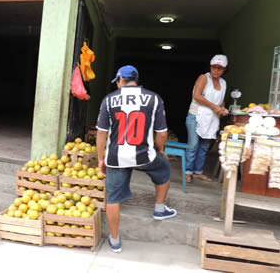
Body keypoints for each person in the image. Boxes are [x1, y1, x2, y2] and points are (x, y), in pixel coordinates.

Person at [96, 65, 177, 254]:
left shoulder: (109, 100)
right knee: (164, 166)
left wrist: (101, 158)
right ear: (135, 80)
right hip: (143, 155)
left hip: (116, 158)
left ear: (121, 80)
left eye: (117, 81)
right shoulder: (154, 98)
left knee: (113, 198)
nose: (117, 84)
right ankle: (159, 209)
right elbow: (162, 132)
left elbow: (101, 132)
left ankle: (115, 241)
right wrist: (161, 150)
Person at [185, 55, 229, 183]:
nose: (216, 70)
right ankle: (188, 172)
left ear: (224, 69)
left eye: (220, 68)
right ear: (210, 66)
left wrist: (222, 109)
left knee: (204, 146)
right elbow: (197, 96)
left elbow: (221, 101)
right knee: (193, 145)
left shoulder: (223, 83)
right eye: (214, 67)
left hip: (211, 118)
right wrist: (215, 107)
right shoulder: (204, 78)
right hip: (196, 115)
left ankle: (198, 172)